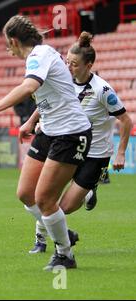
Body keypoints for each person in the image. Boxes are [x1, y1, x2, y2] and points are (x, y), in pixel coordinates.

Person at [0, 15, 92, 270]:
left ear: (14, 41)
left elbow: (29, 87)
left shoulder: (39, 55)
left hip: (70, 134)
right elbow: (51, 93)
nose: (8, 50)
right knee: (26, 193)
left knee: (45, 198)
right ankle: (62, 232)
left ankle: (64, 254)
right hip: (48, 131)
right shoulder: (42, 56)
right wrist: (30, 121)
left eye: (8, 45)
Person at [27, 32, 133, 253]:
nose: (69, 67)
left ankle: (89, 188)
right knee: (48, 199)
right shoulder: (64, 82)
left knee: (64, 207)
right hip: (70, 146)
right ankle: (41, 240)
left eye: (74, 64)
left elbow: (125, 120)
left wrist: (121, 153)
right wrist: (33, 122)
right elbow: (47, 102)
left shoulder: (102, 90)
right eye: (67, 62)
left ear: (89, 65)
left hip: (95, 155)